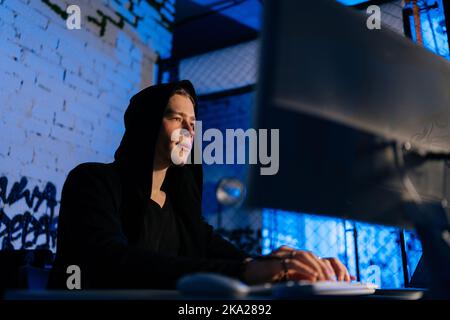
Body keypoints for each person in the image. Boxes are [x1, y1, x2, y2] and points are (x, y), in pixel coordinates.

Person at [48, 80, 353, 289]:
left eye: (192, 123)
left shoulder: (182, 212)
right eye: (176, 118)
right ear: (147, 124)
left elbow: (227, 257)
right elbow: (111, 261)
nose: (188, 131)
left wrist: (285, 264)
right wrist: (247, 271)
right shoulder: (91, 181)